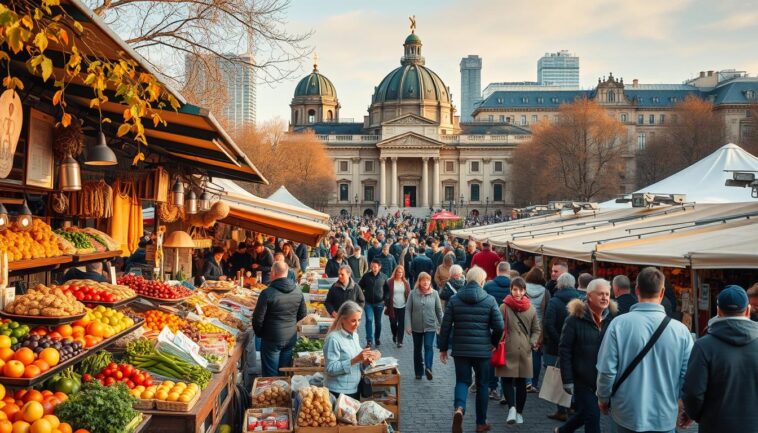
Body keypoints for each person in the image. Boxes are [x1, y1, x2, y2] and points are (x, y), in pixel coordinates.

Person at [596, 267, 693, 433]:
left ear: (637, 290)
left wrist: (603, 398)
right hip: (664, 415)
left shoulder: (618, 324)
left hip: (626, 413)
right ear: (662, 292)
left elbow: (607, 370)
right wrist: (686, 407)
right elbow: (688, 375)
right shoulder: (681, 331)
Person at [681, 285, 758, 433]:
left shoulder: (703, 346)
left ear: (718, 311)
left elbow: (693, 393)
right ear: (747, 311)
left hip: (714, 425)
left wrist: (696, 415)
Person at [439, 266, 504, 433]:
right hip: (482, 350)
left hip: (460, 348)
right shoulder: (489, 300)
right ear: (482, 281)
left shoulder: (454, 299)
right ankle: (481, 422)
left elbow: (445, 326)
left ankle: (459, 408)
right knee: (482, 384)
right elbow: (499, 326)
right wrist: (494, 343)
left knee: (462, 381)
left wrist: (443, 348)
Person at [555, 279, 617, 433]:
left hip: (604, 377)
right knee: (592, 416)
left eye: (607, 294)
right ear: (589, 296)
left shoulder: (614, 319)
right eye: (600, 294)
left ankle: (563, 431)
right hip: (583, 379)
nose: (604, 298)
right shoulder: (574, 319)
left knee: (585, 413)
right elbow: (565, 350)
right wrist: (567, 380)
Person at [496, 277, 540, 425]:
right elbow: (497, 326)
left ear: (525, 290)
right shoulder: (504, 307)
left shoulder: (531, 309)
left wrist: (532, 342)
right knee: (507, 380)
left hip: (525, 350)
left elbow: (536, 330)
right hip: (508, 348)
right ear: (511, 289)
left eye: (520, 289)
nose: (518, 292)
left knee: (521, 383)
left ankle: (519, 412)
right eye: (515, 289)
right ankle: (512, 409)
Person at [252, 262, 307, 377]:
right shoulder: (298, 291)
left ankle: (274, 394)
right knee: (284, 372)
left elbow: (257, 319)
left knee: (270, 375)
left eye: (271, 272)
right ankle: (284, 393)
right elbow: (302, 315)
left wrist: (261, 333)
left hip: (271, 338)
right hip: (290, 337)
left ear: (274, 273)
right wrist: (291, 323)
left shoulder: (267, 293)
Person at [323, 301, 381, 399]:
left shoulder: (355, 336)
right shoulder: (333, 339)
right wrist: (356, 359)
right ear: (342, 320)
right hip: (338, 392)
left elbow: (357, 366)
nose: (357, 324)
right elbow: (330, 368)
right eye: (353, 321)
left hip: (354, 390)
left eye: (359, 320)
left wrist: (366, 362)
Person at [543, 272, 580, 421]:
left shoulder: (554, 301)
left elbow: (548, 324)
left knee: (558, 377)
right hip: (576, 345)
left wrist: (559, 340)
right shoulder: (581, 300)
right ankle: (573, 405)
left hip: (556, 346)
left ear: (559, 284)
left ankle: (562, 410)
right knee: (575, 374)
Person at [405, 272, 443, 380]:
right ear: (419, 281)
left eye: (428, 280)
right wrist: (408, 325)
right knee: (417, 349)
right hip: (416, 326)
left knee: (428, 347)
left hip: (430, 326)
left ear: (430, 282)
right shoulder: (413, 293)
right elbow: (408, 310)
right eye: (423, 280)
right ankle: (418, 371)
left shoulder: (435, 293)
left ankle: (428, 368)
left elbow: (439, 311)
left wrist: (442, 325)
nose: (426, 282)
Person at [483, 261, 512, 400]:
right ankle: (505, 391)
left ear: (497, 270)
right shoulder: (515, 286)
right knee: (506, 357)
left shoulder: (488, 286)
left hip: (492, 325)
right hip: (510, 326)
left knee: (493, 356)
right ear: (509, 271)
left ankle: (492, 388)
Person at [358, 260, 388, 348]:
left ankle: (377, 338)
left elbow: (387, 290)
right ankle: (369, 340)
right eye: (372, 267)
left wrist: (385, 299)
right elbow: (359, 287)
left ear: (379, 267)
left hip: (379, 304)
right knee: (369, 320)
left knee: (378, 322)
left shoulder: (384, 277)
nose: (373, 268)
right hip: (368, 303)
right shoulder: (366, 276)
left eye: (375, 267)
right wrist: (362, 297)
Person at [385, 265, 410, 347]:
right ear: (395, 272)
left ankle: (400, 341)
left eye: (401, 272)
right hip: (393, 306)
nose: (400, 273)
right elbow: (386, 293)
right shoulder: (390, 281)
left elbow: (409, 295)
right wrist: (386, 304)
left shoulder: (405, 283)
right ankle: (395, 335)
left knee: (401, 324)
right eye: (398, 272)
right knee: (393, 323)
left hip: (403, 306)